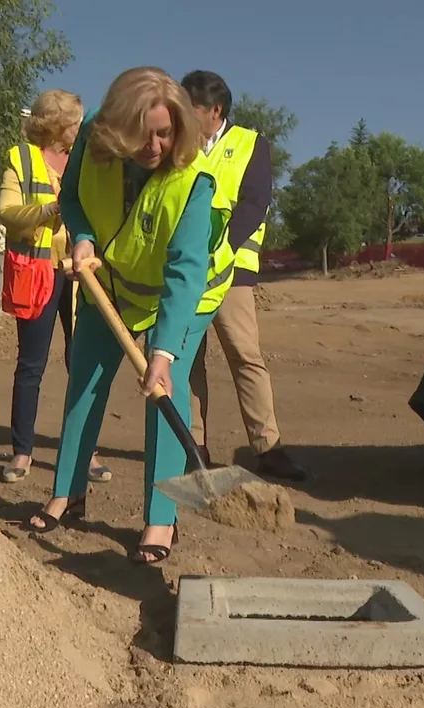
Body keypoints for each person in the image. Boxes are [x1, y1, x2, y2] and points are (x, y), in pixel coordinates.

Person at [24, 66, 235, 565]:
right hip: (110, 281)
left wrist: (161, 353)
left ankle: (161, 518)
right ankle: (67, 492)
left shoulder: (193, 182)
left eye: (166, 133)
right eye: (145, 134)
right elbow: (72, 198)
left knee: (165, 388)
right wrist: (82, 237)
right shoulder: (96, 136)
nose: (157, 145)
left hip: (185, 291)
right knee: (86, 380)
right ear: (119, 127)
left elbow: (185, 274)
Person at [180, 70, 308, 482]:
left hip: (230, 274)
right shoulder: (177, 145)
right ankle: (192, 447)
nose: (182, 112)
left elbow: (254, 204)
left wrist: (217, 251)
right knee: (186, 362)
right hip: (184, 272)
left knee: (246, 358)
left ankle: (267, 448)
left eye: (190, 106)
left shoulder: (250, 144)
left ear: (213, 111)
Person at [0, 89, 111, 485]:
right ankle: (21, 453)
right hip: (38, 272)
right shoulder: (20, 158)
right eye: (75, 122)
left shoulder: (89, 159)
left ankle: (87, 451)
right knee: (31, 365)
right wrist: (48, 210)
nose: (81, 128)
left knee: (83, 365)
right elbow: (7, 213)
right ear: (57, 125)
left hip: (83, 276)